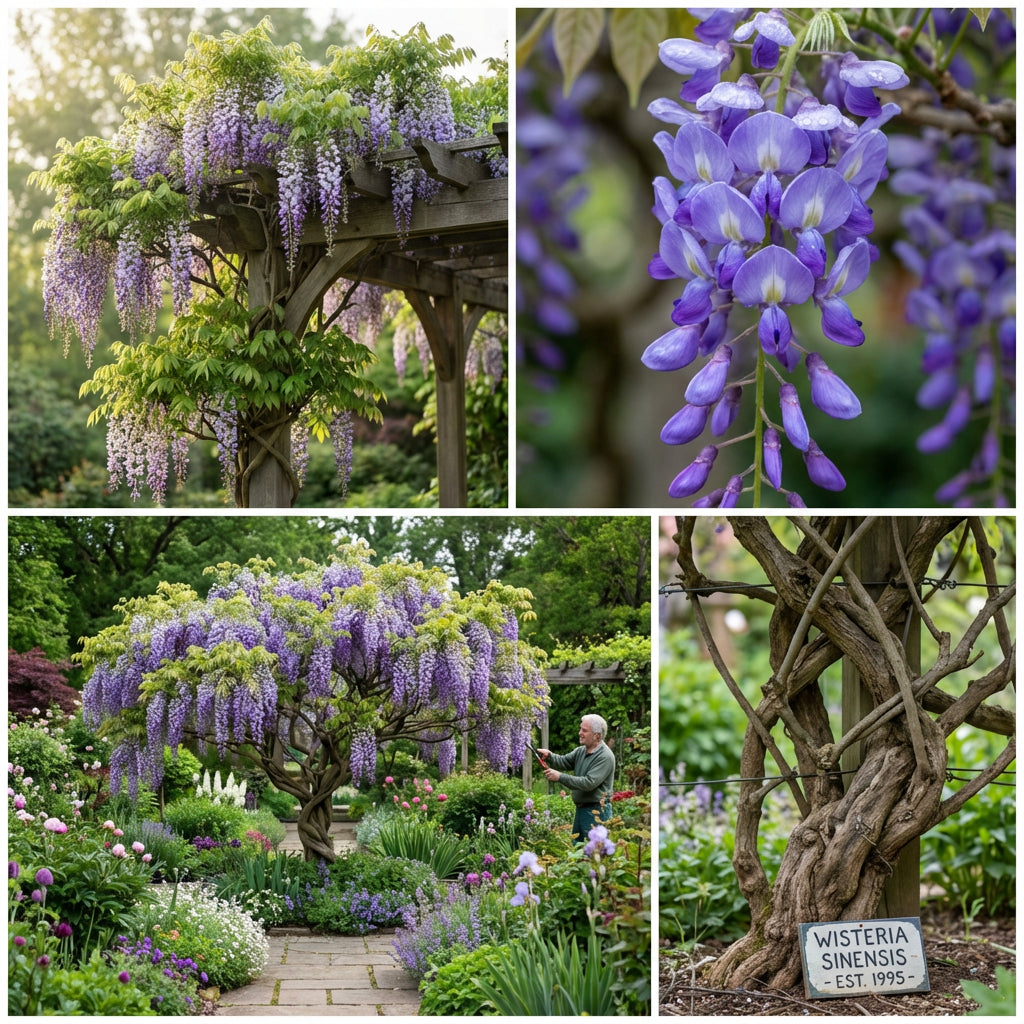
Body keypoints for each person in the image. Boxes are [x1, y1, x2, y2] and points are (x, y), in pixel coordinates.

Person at [538, 714, 616, 843]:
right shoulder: (581, 751)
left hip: (597, 812)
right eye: (580, 729)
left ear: (597, 735)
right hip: (581, 810)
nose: (580, 733)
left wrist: (560, 777)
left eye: (584, 730)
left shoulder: (605, 757)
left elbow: (588, 783)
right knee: (577, 854)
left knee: (595, 854)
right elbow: (563, 762)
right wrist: (549, 756)